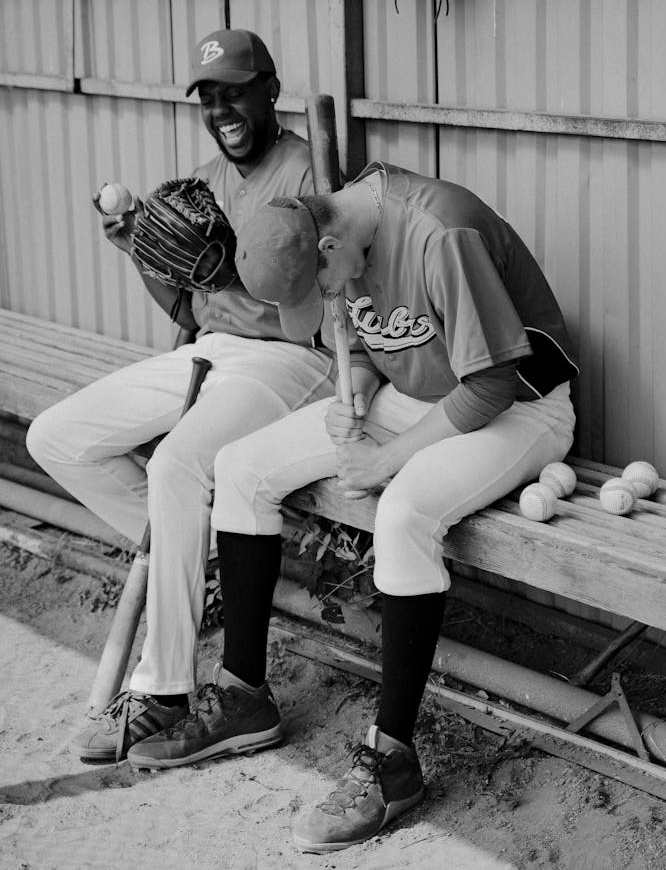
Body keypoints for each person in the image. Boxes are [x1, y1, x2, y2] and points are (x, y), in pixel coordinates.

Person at [125, 160, 579, 853]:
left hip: (517, 406)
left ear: (328, 245)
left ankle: (392, 760)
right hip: (417, 397)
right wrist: (358, 391)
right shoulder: (335, 227)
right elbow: (371, 339)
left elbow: (488, 383)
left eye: (323, 283)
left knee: (403, 513)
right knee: (242, 466)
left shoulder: (441, 231)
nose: (330, 295)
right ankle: (243, 694)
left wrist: (386, 457)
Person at [26, 28, 336, 764]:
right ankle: (194, 565)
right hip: (211, 350)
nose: (222, 107)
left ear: (269, 88)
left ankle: (162, 692)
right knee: (56, 436)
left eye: (235, 89)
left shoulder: (308, 173)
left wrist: (241, 275)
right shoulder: (203, 178)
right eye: (208, 96)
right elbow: (189, 311)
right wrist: (138, 244)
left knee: (174, 467)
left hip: (288, 360)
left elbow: (319, 308)